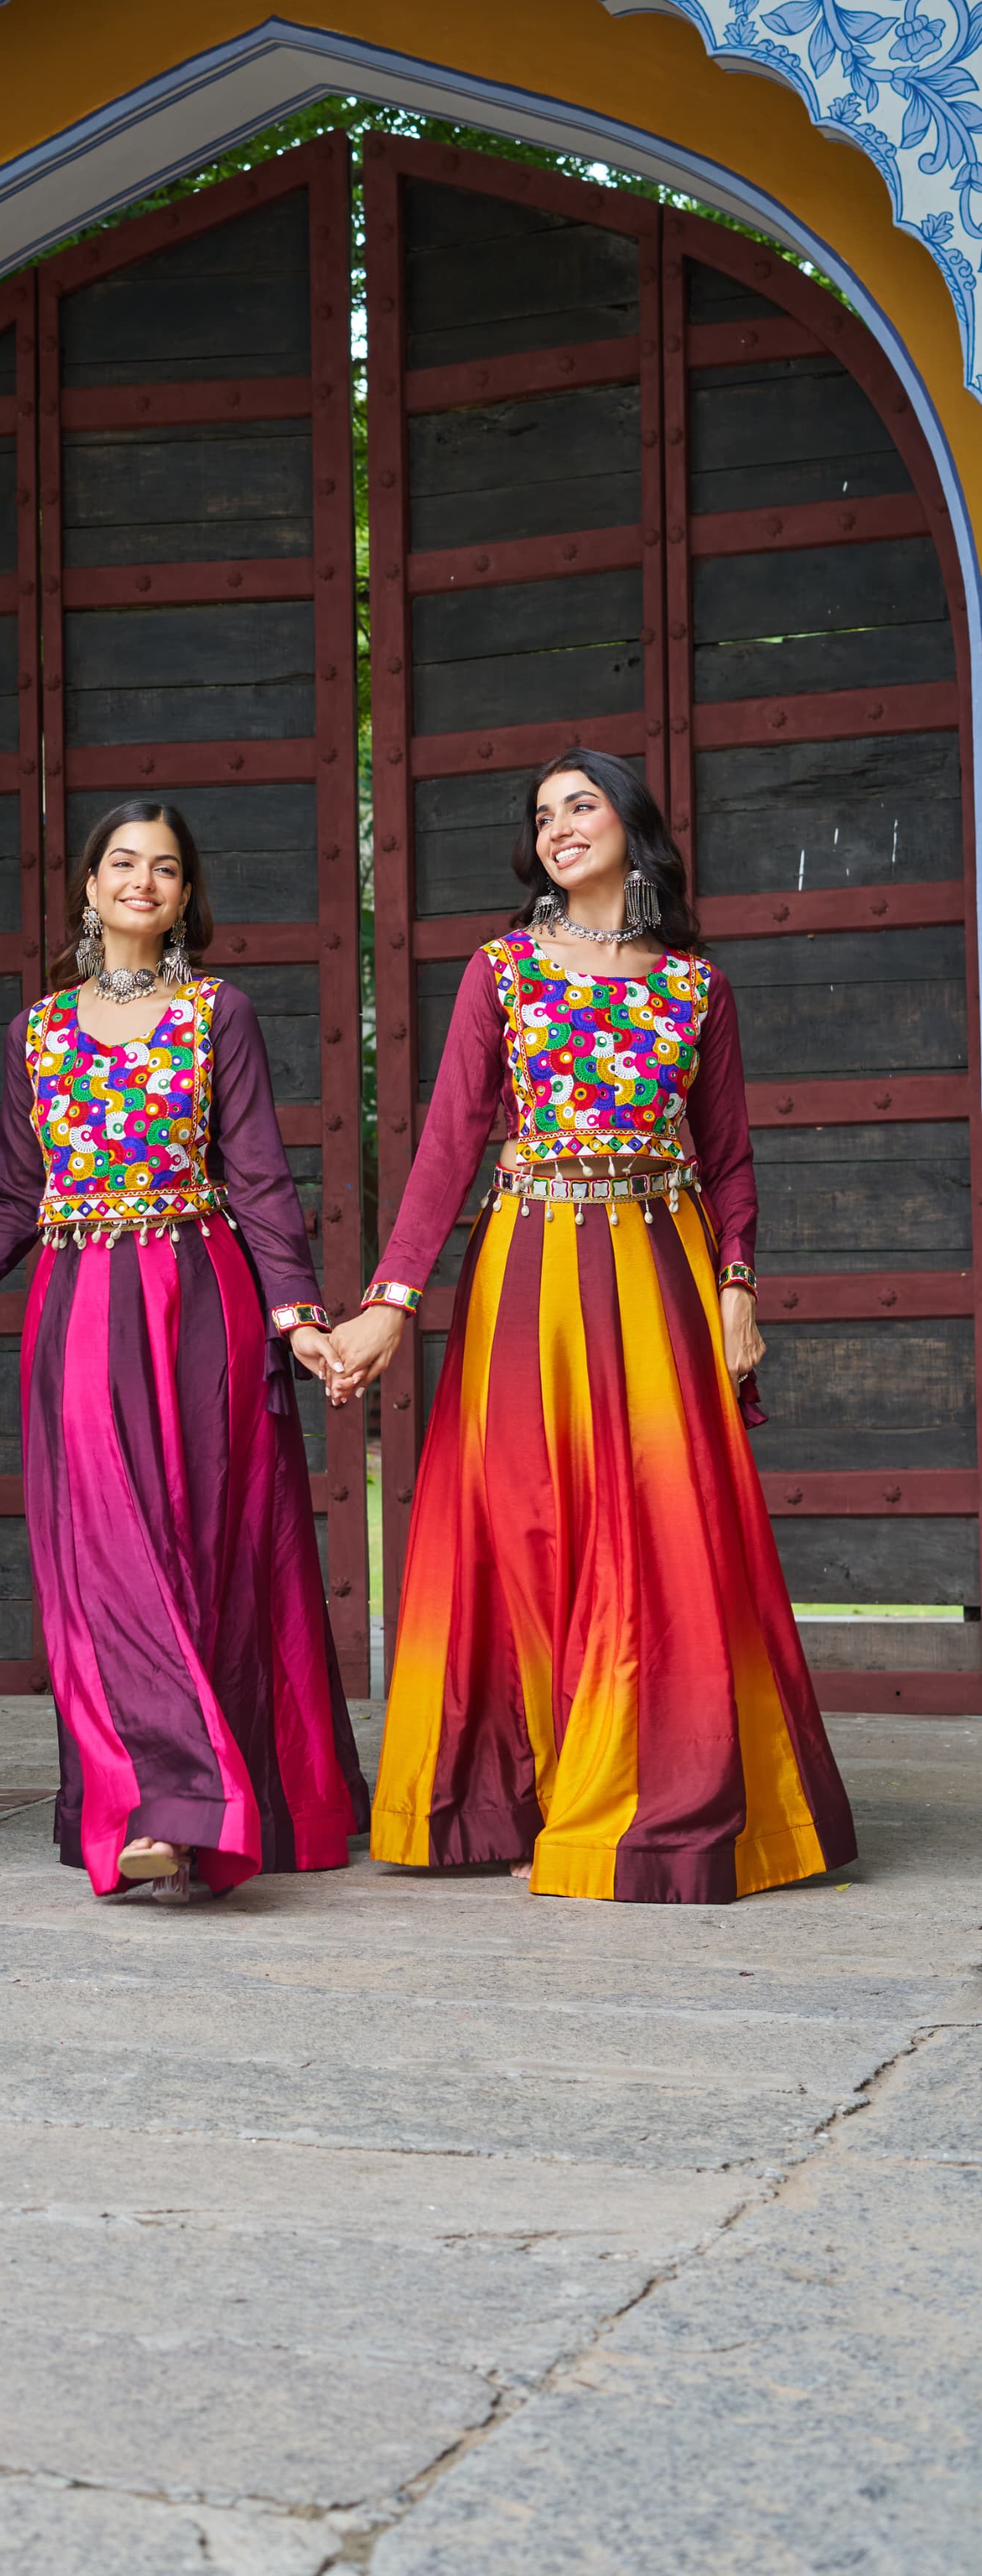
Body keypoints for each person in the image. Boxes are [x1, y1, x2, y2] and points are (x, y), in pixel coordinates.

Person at [327, 748, 857, 1904]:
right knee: (520, 1523)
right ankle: (508, 1790)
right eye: (542, 813)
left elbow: (727, 1159)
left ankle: (646, 1787)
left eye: (581, 804)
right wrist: (389, 1302)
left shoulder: (692, 987)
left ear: (631, 823)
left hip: (657, 1268)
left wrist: (736, 1292)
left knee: (657, 1523)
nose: (560, 825)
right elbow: (446, 1145)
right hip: (525, 1266)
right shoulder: (502, 971)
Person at [0, 800, 369, 1903]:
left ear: (186, 897)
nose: (141, 881)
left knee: (205, 1543)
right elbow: (14, 1196)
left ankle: (197, 1804)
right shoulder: (35, 1033)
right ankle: (161, 1803)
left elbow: (262, 1180)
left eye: (165, 868)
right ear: (87, 887)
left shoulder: (217, 1014)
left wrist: (299, 1317)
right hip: (78, 1303)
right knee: (105, 1553)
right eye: (121, 863)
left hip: (202, 1301)